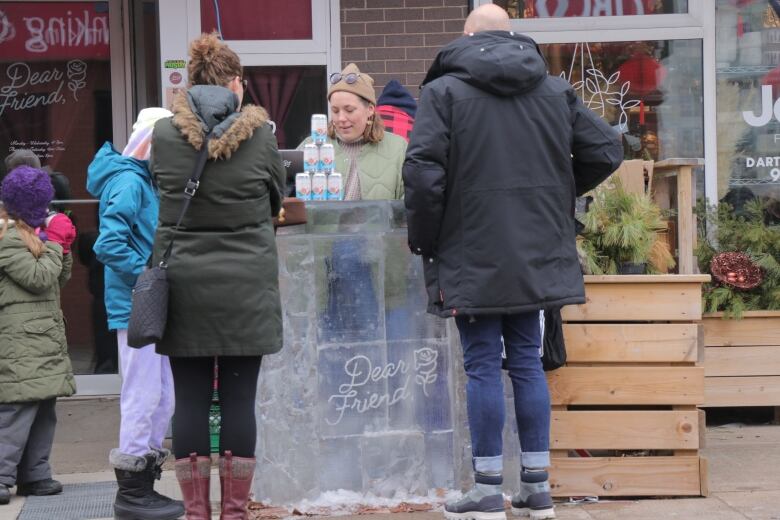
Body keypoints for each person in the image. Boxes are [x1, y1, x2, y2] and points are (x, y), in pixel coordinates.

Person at [403, 5, 623, 520]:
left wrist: (426, 240)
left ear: (466, 37)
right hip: (536, 250)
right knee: (526, 362)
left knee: (481, 365)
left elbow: (422, 174)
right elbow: (607, 150)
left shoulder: (443, 93)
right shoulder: (553, 90)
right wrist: (557, 197)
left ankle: (484, 490)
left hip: (470, 249)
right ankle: (536, 488)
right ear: (513, 35)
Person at [149, 32, 285, 519]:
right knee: (237, 399)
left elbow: (160, 189)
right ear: (235, 83)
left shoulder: (164, 135)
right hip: (246, 287)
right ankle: (233, 512)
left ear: (190, 82)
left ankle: (195, 512)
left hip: (183, 284)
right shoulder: (262, 136)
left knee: (188, 399)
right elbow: (275, 198)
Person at [87, 107, 184, 520]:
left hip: (143, 301)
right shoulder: (130, 181)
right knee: (145, 394)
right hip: (136, 304)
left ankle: (142, 488)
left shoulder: (138, 178)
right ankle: (132, 493)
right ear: (151, 144)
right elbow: (108, 245)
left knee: (160, 394)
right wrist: (149, 272)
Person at [0, 166, 77, 505]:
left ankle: (35, 474)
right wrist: (55, 242)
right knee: (17, 411)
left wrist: (63, 247)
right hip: (20, 341)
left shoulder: (32, 233)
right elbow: (38, 278)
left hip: (41, 338)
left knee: (44, 409)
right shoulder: (7, 237)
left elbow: (58, 279)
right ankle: (2, 477)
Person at [298, 62, 406, 200]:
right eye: (335, 111)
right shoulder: (311, 147)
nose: (341, 118)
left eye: (349, 110)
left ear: (370, 109)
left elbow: (409, 206)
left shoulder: (398, 149)